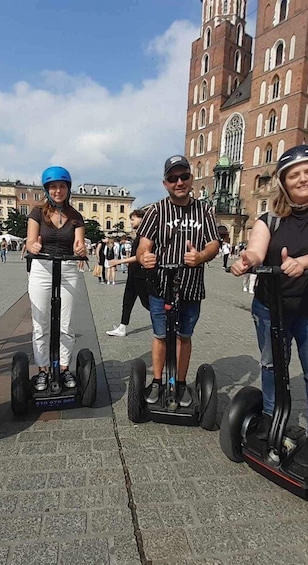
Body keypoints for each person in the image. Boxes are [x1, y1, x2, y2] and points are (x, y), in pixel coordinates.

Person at [230, 144, 308, 468]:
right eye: (293, 175)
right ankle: (272, 417)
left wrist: (304, 262)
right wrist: (248, 260)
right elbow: (257, 248)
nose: (302, 179)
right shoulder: (269, 218)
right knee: (272, 366)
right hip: (272, 307)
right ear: (284, 182)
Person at [137, 155, 220, 407]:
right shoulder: (155, 211)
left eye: (184, 176)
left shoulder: (204, 210)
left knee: (184, 335)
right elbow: (143, 246)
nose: (179, 182)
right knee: (161, 335)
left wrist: (201, 255)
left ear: (191, 179)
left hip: (191, 286)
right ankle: (158, 381)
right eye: (173, 178)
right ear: (165, 183)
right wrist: (145, 258)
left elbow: (214, 243)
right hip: (161, 285)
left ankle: (181, 382)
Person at [25, 166, 87, 391]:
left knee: (66, 324)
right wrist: (34, 246)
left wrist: (80, 250)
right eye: (53, 187)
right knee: (40, 324)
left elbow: (79, 244)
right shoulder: (37, 212)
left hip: (68, 269)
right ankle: (42, 370)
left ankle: (63, 367)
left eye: (62, 186)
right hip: (42, 268)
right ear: (47, 190)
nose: (58, 190)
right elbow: (30, 241)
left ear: (68, 189)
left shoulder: (75, 216)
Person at [106, 209, 150, 337]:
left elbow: (139, 256)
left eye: (133, 219)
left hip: (140, 274)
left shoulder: (144, 236)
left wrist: (119, 261)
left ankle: (166, 320)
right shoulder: (138, 235)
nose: (131, 222)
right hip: (133, 273)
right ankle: (122, 327)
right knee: (127, 301)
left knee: (147, 302)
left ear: (142, 219)